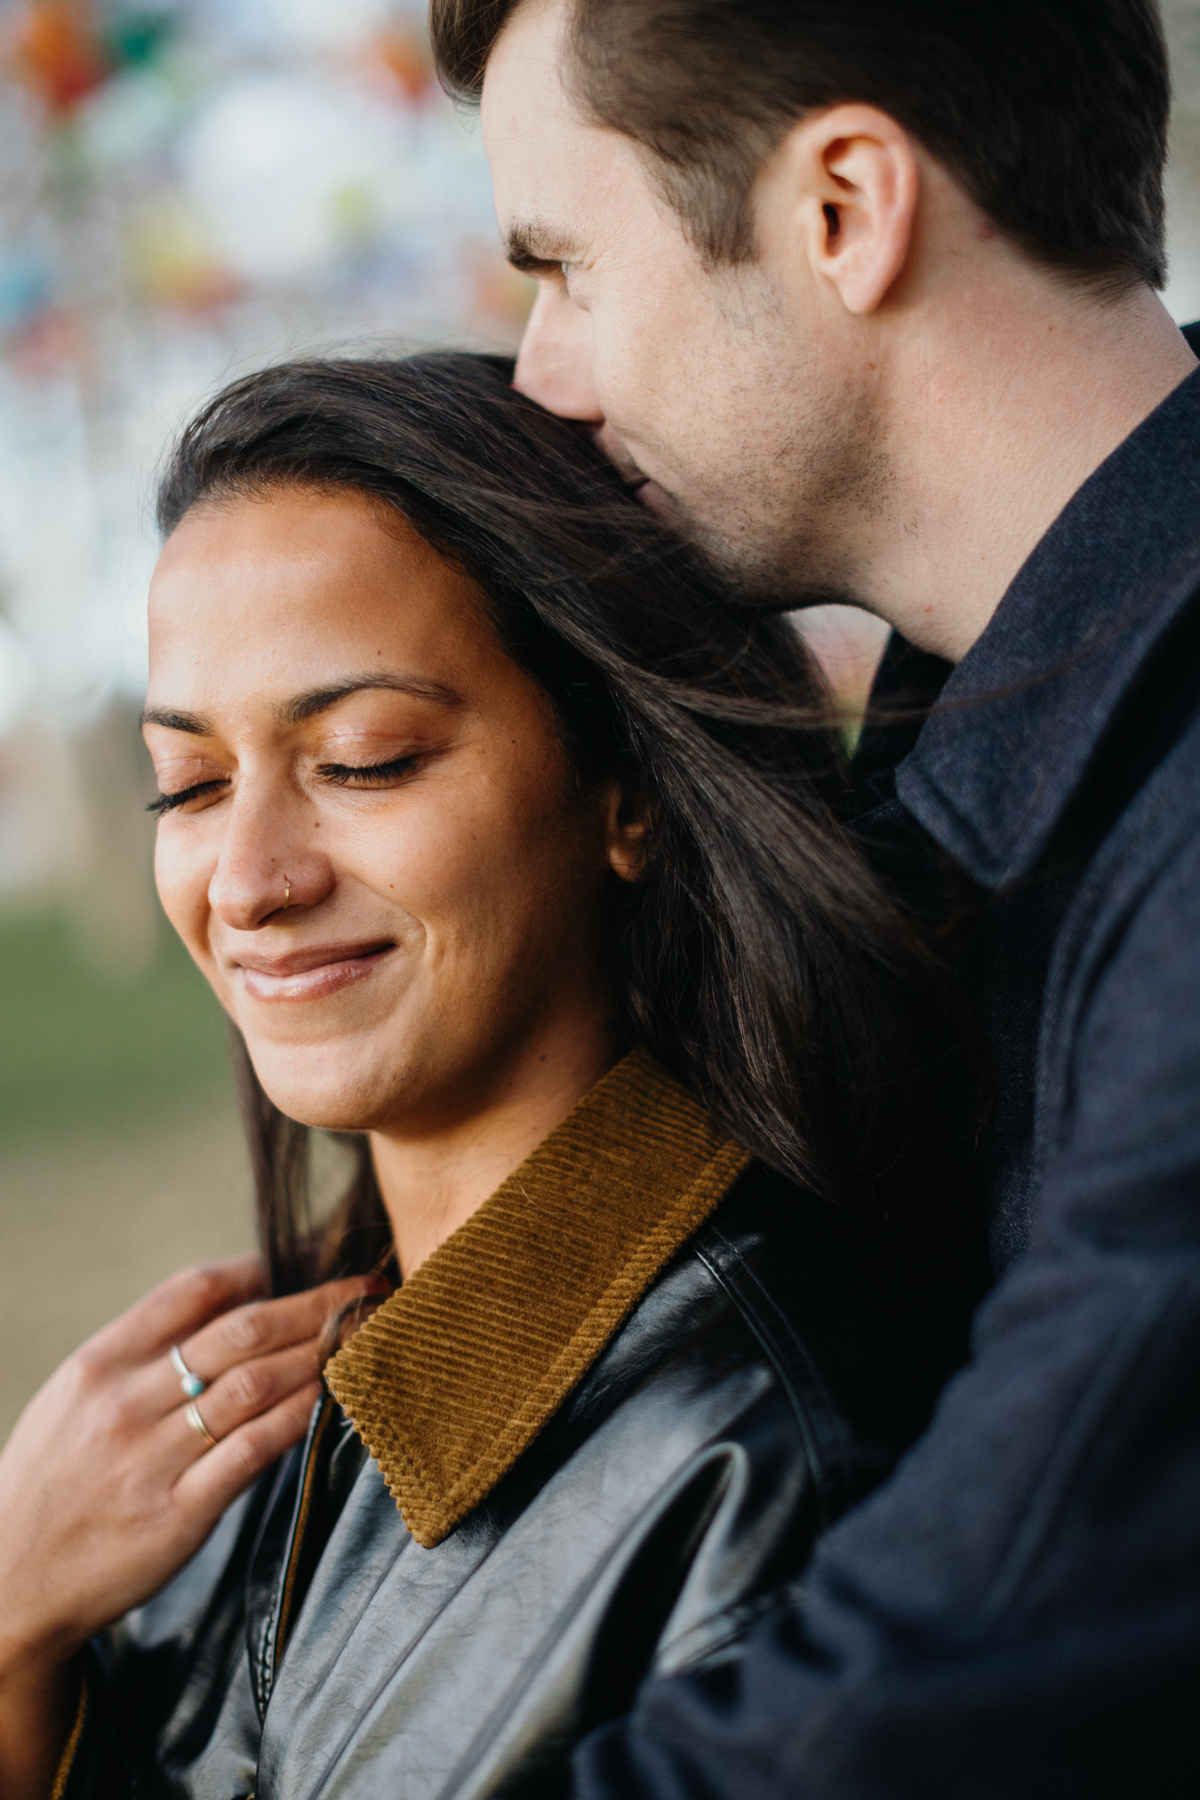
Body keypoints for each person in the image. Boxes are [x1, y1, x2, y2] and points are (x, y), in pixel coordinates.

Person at [0, 354, 985, 1800]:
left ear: (626, 790)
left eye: (365, 759)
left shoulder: (774, 1474)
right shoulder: (239, 1411)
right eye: (192, 785)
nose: (251, 881)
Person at [426, 0, 1200, 1791]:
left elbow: (971, 1668)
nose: (540, 372)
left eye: (567, 268)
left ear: (844, 207)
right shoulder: (977, 744)